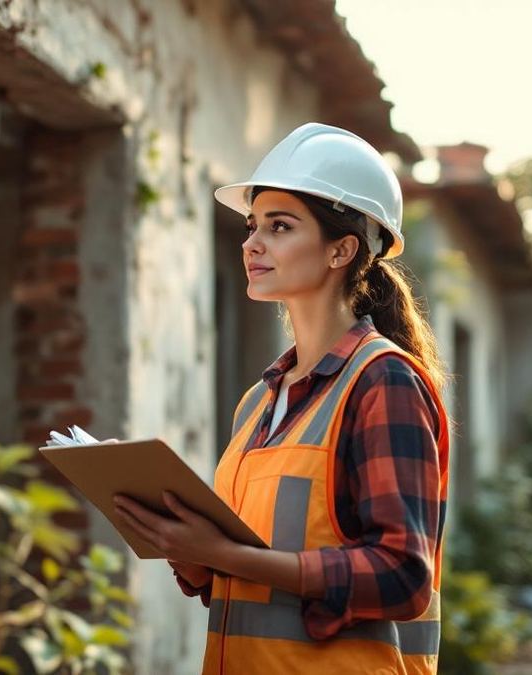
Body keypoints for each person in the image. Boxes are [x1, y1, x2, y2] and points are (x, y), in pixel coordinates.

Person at [112, 123, 451, 674]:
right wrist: (188, 550)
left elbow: (403, 577)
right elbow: (251, 573)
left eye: (280, 226)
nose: (252, 243)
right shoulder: (259, 402)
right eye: (252, 226)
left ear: (342, 249)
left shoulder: (382, 381)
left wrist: (223, 554)